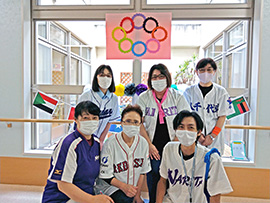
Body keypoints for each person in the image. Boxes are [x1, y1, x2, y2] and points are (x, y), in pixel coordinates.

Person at [136, 63, 190, 203]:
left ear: (167, 78)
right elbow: (139, 122)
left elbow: (184, 120)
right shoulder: (144, 97)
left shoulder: (177, 96)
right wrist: (149, 145)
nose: (158, 79)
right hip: (153, 145)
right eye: (154, 77)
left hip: (174, 143)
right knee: (154, 174)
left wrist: (175, 143)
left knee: (172, 176)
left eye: (161, 76)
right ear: (150, 80)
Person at [42, 101, 114, 203]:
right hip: (62, 198)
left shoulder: (96, 143)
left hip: (86, 194)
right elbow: (62, 185)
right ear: (76, 120)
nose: (91, 121)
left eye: (94, 118)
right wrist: (93, 200)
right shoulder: (69, 144)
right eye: (86, 118)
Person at [156, 110, 233, 203]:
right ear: (175, 130)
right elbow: (162, 181)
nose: (185, 131)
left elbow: (215, 193)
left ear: (199, 132)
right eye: (181, 127)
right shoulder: (169, 149)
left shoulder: (211, 158)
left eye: (190, 127)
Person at [98, 105, 151, 203]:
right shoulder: (110, 143)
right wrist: (124, 187)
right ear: (121, 123)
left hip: (131, 190)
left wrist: (137, 195)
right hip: (111, 188)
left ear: (140, 124)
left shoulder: (143, 143)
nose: (131, 125)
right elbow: (106, 176)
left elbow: (142, 172)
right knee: (124, 199)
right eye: (128, 121)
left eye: (135, 122)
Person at [183, 58, 232, 155]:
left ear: (214, 72)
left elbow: (222, 116)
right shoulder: (189, 92)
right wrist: (198, 135)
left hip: (215, 139)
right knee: (194, 165)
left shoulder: (221, 92)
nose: (206, 73)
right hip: (194, 136)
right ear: (197, 72)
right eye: (202, 70)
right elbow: (186, 116)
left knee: (214, 165)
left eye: (209, 70)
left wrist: (212, 136)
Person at [71, 64, 120, 145]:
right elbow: (78, 120)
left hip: (98, 139)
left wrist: (101, 140)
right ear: (96, 77)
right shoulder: (87, 95)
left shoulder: (114, 98)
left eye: (108, 76)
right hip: (81, 137)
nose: (105, 78)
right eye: (102, 75)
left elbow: (109, 122)